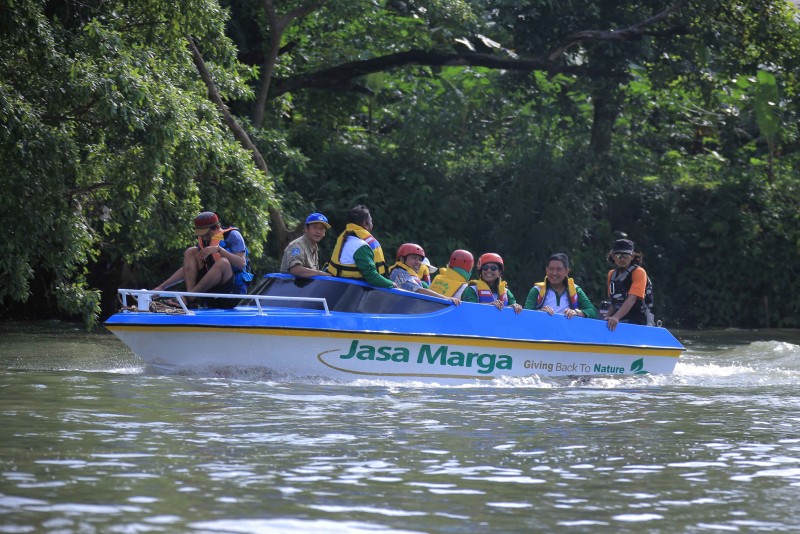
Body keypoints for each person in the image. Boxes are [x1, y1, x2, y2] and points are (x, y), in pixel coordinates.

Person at [154, 211, 250, 307]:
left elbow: (242, 263)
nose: (204, 238)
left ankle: (189, 298)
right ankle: (192, 299)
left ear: (217, 227)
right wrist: (162, 287)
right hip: (209, 292)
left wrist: (219, 250)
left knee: (223, 262)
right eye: (201, 235)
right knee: (191, 251)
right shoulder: (204, 240)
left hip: (231, 293)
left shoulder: (233, 235)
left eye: (207, 234)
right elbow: (188, 269)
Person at [326, 205, 396, 288]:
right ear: (365, 224)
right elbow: (372, 277)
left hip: (338, 286)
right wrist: (392, 284)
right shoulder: (361, 246)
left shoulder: (346, 240)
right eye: (371, 221)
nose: (372, 224)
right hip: (353, 290)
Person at [524, 253, 597, 319]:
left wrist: (576, 312)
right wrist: (540, 312)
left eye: (559, 269)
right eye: (551, 269)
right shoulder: (537, 290)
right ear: (546, 270)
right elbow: (526, 314)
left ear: (567, 271)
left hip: (567, 329)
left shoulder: (575, 290)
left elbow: (593, 311)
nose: (554, 273)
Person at [605, 239, 655, 331]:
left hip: (638, 321)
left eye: (626, 256)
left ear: (632, 256)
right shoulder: (611, 274)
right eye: (618, 255)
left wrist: (616, 317)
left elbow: (632, 299)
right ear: (613, 256)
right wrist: (606, 318)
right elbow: (613, 303)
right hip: (619, 318)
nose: (622, 259)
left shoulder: (639, 272)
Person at [390, 243, 460, 304]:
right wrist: (445, 298)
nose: (418, 262)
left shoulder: (408, 274)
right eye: (414, 258)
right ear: (402, 259)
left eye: (420, 260)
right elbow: (418, 290)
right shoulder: (399, 272)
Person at [280, 213, 331, 278]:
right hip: (289, 284)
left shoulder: (314, 248)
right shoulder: (298, 245)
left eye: (321, 228)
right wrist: (321, 273)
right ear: (306, 228)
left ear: (324, 233)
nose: (318, 231)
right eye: (315, 227)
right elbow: (295, 270)